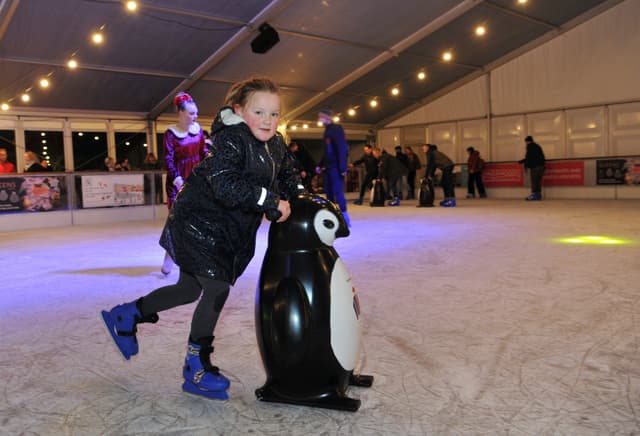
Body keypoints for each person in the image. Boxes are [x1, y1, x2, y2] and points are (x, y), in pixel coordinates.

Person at [100, 76, 303, 401]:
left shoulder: (274, 143)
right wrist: (269, 200)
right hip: (199, 223)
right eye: (259, 112)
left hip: (226, 229)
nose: (268, 121)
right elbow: (226, 184)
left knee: (188, 289)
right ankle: (196, 367)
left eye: (274, 114)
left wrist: (303, 197)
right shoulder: (231, 140)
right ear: (238, 111)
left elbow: (288, 175)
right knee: (216, 288)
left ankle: (126, 315)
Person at [161, 92, 208, 275]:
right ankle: (170, 254)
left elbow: (204, 154)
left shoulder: (199, 131)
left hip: (196, 180)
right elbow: (168, 159)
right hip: (177, 181)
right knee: (178, 221)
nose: (194, 116)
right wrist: (178, 180)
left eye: (195, 113)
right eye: (190, 113)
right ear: (180, 113)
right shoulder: (170, 134)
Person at [316, 108, 350, 226]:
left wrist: (343, 168)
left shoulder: (336, 130)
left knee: (337, 191)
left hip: (336, 167)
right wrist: (320, 164)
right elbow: (327, 152)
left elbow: (342, 148)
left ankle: (345, 218)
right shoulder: (327, 131)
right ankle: (332, 216)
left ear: (327, 117)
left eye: (321, 117)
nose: (319, 119)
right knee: (329, 193)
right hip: (329, 167)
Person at [518, 135, 545, 201]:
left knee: (534, 181)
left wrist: (524, 164)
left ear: (527, 141)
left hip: (535, 167)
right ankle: (538, 195)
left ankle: (534, 195)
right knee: (538, 181)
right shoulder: (538, 146)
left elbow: (529, 157)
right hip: (541, 166)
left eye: (526, 142)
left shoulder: (530, 147)